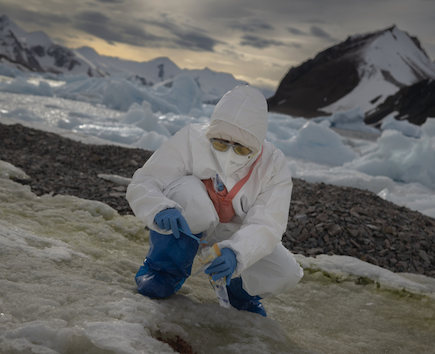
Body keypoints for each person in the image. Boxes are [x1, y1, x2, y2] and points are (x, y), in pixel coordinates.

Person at [126, 85, 303, 316]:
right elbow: (146, 180)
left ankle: (236, 292)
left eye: (241, 149)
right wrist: (160, 207)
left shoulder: (273, 165)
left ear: (257, 146)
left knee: (285, 272)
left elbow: (269, 223)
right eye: (220, 143)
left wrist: (237, 253)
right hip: (189, 219)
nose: (229, 153)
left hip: (234, 233)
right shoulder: (191, 139)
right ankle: (163, 272)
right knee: (189, 191)